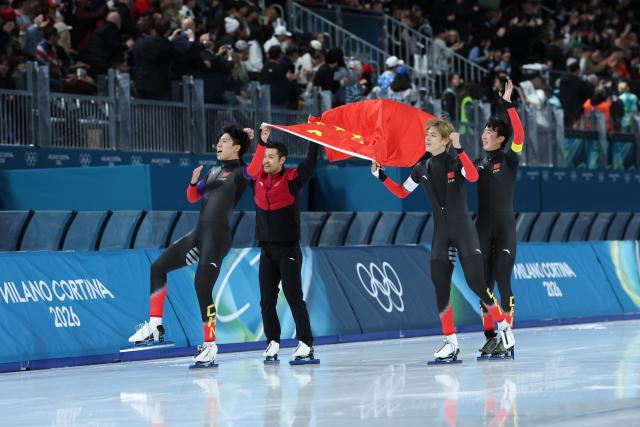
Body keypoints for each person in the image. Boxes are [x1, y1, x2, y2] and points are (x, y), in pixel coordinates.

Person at [370, 118, 515, 362]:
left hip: (464, 232)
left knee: (477, 285)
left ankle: (504, 327)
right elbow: (402, 191)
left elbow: (472, 177)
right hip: (441, 234)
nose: (427, 139)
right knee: (440, 286)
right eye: (426, 135)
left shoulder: (456, 161)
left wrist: (460, 149)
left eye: (433, 135)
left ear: (446, 140)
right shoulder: (421, 168)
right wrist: (381, 176)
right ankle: (450, 341)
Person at [127, 126, 255, 368]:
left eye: (225, 140)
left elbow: (256, 168)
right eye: (219, 140)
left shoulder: (241, 172)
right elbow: (193, 197)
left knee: (202, 285)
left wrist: (254, 141)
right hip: (198, 234)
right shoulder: (214, 170)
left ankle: (210, 345)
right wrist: (194, 181)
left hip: (217, 238)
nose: (219, 143)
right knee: (158, 268)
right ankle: (155, 327)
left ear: (236, 148)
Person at [243, 124, 320, 364]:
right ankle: (272, 342)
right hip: (266, 249)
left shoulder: (291, 179)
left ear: (282, 160)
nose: (266, 161)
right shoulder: (256, 180)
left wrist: (313, 135)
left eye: (270, 157)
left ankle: (305, 343)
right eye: (264, 156)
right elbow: (248, 168)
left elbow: (310, 163)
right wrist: (258, 143)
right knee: (266, 300)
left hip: (288, 248)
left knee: (293, 295)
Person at [473, 79, 524, 357]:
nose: (485, 134)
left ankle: (507, 334)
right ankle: (491, 336)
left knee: (503, 279)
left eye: (491, 131)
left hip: (504, 228)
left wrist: (508, 106)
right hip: (482, 227)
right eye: (484, 130)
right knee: (483, 284)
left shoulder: (509, 159)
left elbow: (520, 136)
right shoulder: (477, 163)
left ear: (501, 138)